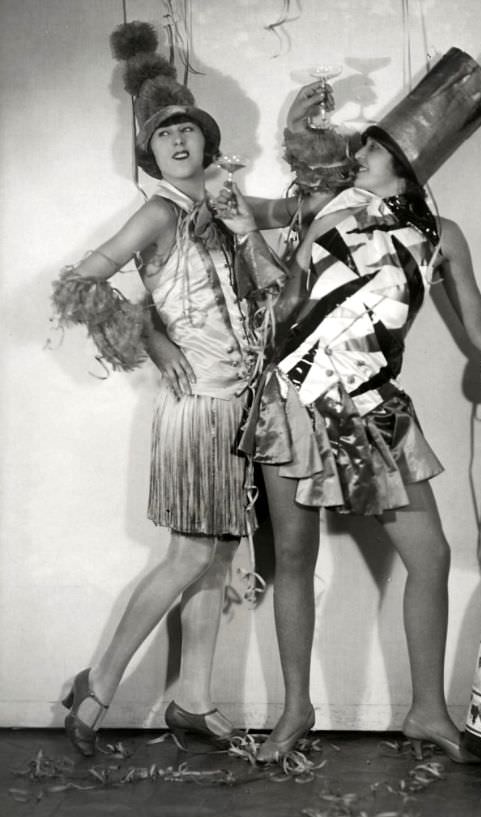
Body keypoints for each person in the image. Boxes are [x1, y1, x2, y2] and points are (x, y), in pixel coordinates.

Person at [216, 55, 481, 764]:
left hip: (371, 409)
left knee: (429, 555)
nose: (356, 155)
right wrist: (249, 219)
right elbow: (277, 288)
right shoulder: (325, 208)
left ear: (399, 159)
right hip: (297, 401)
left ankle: (428, 711)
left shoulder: (442, 236)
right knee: (295, 557)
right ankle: (295, 709)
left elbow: (480, 331)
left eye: (368, 148)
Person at [52, 22, 282, 757]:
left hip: (240, 403)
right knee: (189, 557)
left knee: (217, 558)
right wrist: (151, 341)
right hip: (196, 408)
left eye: (188, 128)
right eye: (164, 132)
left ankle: (192, 699)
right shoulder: (158, 212)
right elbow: (81, 280)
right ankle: (98, 683)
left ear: (206, 145)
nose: (178, 138)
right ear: (149, 151)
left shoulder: (221, 211)